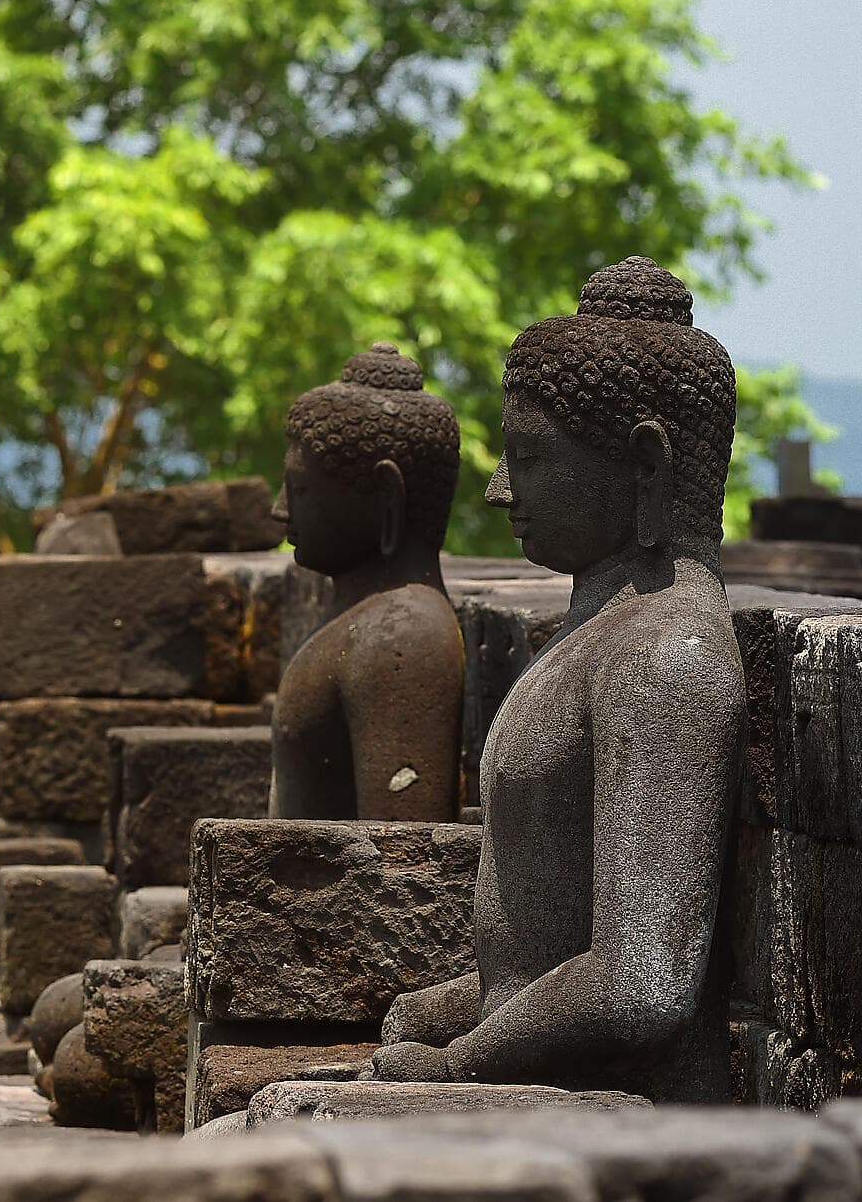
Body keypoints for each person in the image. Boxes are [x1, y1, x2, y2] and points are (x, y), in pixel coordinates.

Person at [371, 257, 745, 1101]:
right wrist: (443, 1010)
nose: (502, 491)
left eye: (531, 457)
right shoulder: (601, 634)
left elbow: (640, 984)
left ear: (646, 466)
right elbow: (536, 963)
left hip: (622, 1131)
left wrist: (454, 1062)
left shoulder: (666, 659)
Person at [270, 343, 464, 822]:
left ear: (385, 495)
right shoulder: (368, 620)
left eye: (300, 489)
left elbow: (406, 866)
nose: (279, 508)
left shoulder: (404, 636)